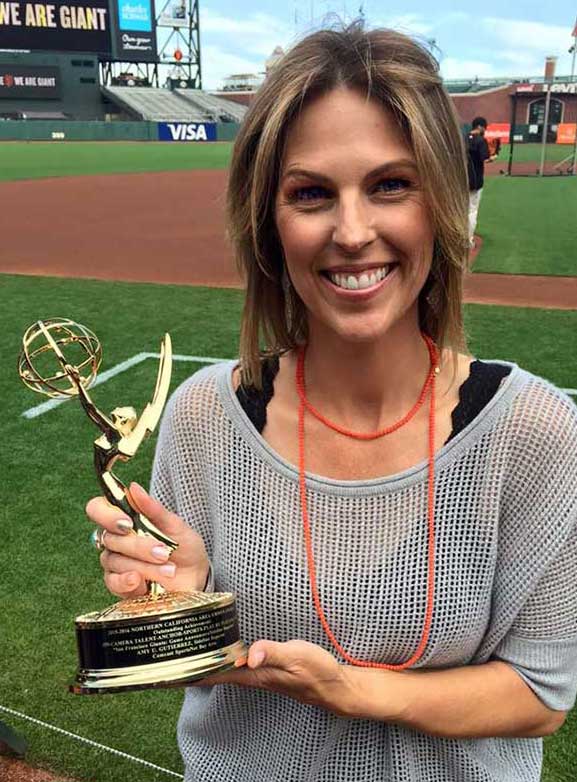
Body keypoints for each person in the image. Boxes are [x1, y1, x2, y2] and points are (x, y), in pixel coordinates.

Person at [86, 23, 577, 782]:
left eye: (390, 184)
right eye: (311, 193)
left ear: (440, 205)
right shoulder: (205, 415)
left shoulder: (539, 432)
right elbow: (201, 671)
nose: (352, 232)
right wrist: (177, 608)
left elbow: (540, 694)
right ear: (268, 225)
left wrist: (355, 691)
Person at [466, 116, 498, 249]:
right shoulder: (480, 140)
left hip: (459, 179)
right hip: (475, 181)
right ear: (479, 127)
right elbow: (485, 158)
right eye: (484, 127)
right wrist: (494, 156)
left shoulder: (461, 138)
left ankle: (453, 239)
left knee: (459, 210)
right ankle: (467, 240)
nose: (485, 130)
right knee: (472, 210)